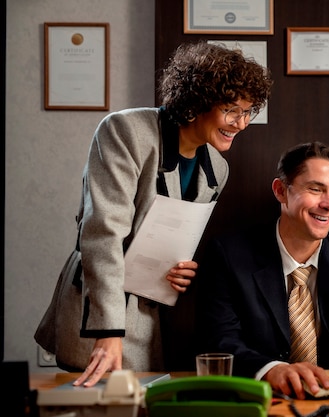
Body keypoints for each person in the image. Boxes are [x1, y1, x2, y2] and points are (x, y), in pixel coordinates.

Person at [34, 41, 273, 387]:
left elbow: (171, 236)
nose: (241, 123)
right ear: (198, 101)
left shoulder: (217, 169)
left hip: (151, 314)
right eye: (232, 110)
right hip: (100, 306)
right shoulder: (125, 131)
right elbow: (103, 233)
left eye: (249, 112)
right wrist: (109, 331)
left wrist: (177, 268)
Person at [195, 142, 329, 399]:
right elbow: (219, 341)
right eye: (316, 189)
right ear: (281, 191)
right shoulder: (229, 255)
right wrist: (271, 370)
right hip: (263, 401)